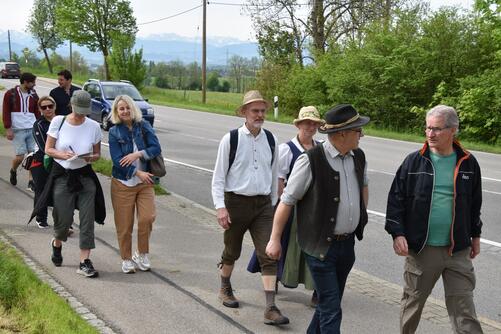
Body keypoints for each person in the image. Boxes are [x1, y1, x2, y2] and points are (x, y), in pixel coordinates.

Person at [266, 104, 370, 334]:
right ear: (342, 133)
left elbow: (363, 187)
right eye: (357, 130)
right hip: (320, 247)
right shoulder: (310, 159)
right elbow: (287, 200)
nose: (361, 135)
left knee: (326, 304)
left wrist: (359, 216)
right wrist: (274, 239)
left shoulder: (358, 157)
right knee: (332, 307)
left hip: (347, 245)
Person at [385, 105, 484, 334]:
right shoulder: (413, 162)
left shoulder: (469, 163)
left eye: (437, 129)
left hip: (457, 249)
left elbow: (474, 205)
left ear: (453, 130)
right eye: (428, 128)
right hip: (422, 249)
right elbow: (396, 201)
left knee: (465, 310)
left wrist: (475, 236)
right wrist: (397, 233)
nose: (430, 134)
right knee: (412, 305)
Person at [211, 90, 289, 326]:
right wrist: (220, 207)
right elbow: (218, 178)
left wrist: (274, 207)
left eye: (263, 110)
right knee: (231, 251)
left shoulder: (271, 140)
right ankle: (225, 286)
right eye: (255, 110)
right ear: (244, 112)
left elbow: (275, 175)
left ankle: (270, 307)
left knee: (269, 254)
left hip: (264, 205)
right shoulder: (231, 139)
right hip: (235, 203)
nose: (260, 115)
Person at [247, 106, 323, 306]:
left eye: (314, 123)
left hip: (313, 208)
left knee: (315, 248)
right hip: (291, 205)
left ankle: (316, 289)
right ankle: (275, 276)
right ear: (299, 125)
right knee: (281, 240)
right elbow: (279, 180)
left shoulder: (320, 148)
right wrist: (285, 203)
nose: (310, 127)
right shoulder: (287, 149)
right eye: (307, 123)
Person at [30, 90, 105, 278]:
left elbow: (97, 155)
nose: (81, 114)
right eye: (78, 109)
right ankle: (57, 243)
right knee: (63, 220)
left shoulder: (94, 126)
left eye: (85, 111)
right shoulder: (58, 122)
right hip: (62, 175)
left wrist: (91, 157)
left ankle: (84, 261)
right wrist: (62, 154)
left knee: (88, 220)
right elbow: (48, 149)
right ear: (71, 105)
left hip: (85, 177)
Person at [108, 95, 160, 274]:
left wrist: (138, 155)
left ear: (132, 108)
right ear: (116, 112)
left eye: (127, 107)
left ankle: (142, 253)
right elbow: (116, 160)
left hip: (145, 183)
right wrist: (137, 172)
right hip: (123, 183)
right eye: (121, 109)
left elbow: (156, 148)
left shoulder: (143, 126)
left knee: (147, 218)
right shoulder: (114, 132)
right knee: (125, 224)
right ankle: (126, 258)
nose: (124, 111)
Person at [2, 72, 39, 190]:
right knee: (20, 156)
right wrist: (8, 128)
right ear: (25, 82)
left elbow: (37, 112)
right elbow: (6, 111)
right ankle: (13, 170)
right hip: (18, 130)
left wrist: (39, 125)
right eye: (32, 82)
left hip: (32, 128)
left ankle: (31, 181)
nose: (34, 84)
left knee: (33, 155)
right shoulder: (10, 94)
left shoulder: (34, 95)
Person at [30, 96, 56, 229]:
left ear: (54, 106)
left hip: (59, 160)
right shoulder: (39, 124)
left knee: (61, 191)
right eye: (44, 107)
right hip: (41, 161)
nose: (48, 109)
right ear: (40, 109)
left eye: (50, 106)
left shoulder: (61, 121)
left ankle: (64, 220)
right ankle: (41, 217)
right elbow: (44, 147)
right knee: (42, 190)